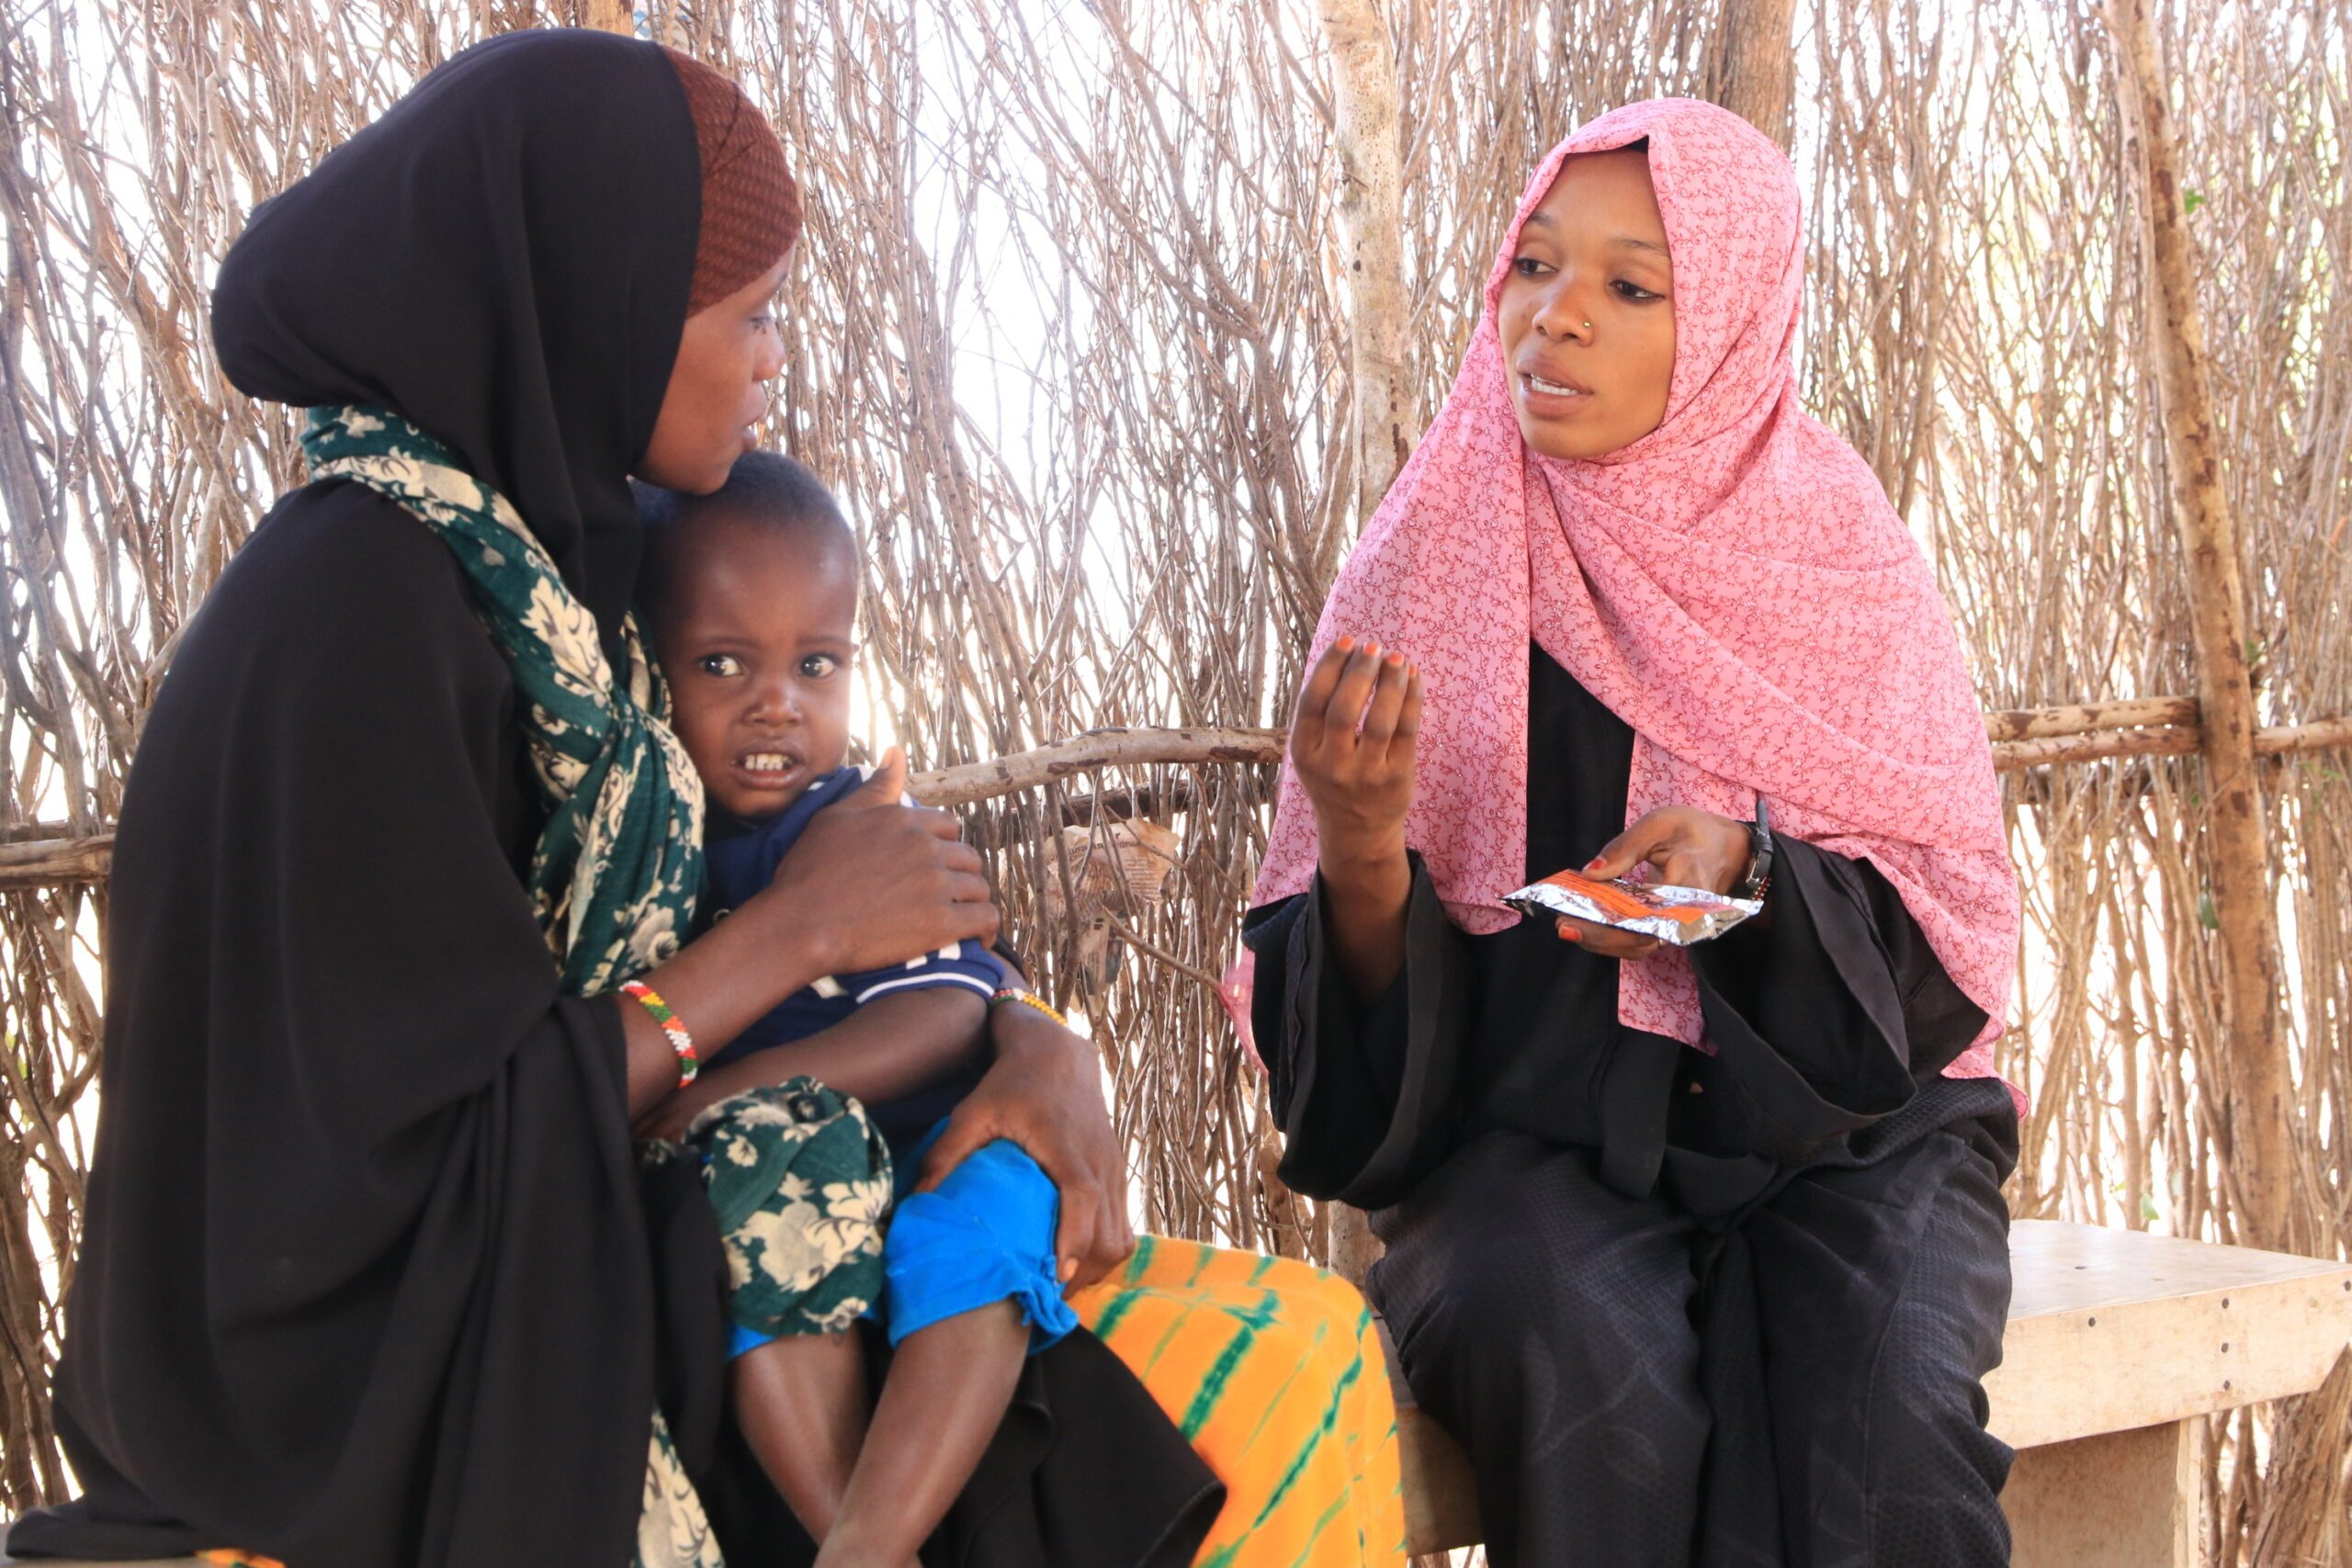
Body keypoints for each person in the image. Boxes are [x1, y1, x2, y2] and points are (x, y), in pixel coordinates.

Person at [7, 28, 1399, 1568]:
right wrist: (799, 931)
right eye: (747, 314)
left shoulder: (577, 588)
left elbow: (785, 935)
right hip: (388, 1389)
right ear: (597, 310)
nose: (774, 355)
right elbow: (391, 1181)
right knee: (1217, 1424)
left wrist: (1031, 1040)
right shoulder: (351, 620)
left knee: (1298, 1341)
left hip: (663, 1244)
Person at [1247, 98, 2023, 1568]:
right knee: (1585, 1376)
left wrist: (1748, 871)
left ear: (1730, 317)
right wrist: (1360, 846)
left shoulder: (1837, 555)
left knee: (1892, 1420)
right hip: (1528, 1141)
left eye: (1629, 285)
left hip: (1857, 1139)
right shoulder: (1432, 553)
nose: (1558, 319)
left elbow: (1942, 936)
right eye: (1535, 266)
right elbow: (1356, 1094)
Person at [629, 451, 1081, 1568]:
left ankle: (874, 1542)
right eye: (722, 663)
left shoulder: (869, 823)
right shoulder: (651, 850)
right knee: (767, 1207)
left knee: (986, 1219)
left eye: (816, 664)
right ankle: (848, 1534)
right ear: (654, 670)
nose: (775, 703)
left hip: (935, 1130)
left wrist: (729, 1086)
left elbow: (941, 1016)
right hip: (787, 1170)